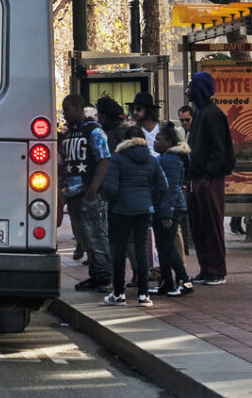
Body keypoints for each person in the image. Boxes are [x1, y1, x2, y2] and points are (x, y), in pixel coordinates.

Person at [100, 122, 169, 306]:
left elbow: (110, 186)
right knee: (141, 250)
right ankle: (143, 295)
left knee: (120, 250)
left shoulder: (118, 159)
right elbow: (163, 186)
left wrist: (115, 202)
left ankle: (119, 293)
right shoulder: (152, 160)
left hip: (122, 210)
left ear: (125, 140)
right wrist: (150, 200)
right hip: (144, 209)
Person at [185, 72, 235, 285]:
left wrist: (208, 175)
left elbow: (218, 149)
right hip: (199, 178)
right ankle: (206, 268)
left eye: (191, 86)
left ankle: (216, 270)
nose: (188, 90)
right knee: (199, 225)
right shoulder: (201, 113)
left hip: (207, 179)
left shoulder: (211, 114)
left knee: (211, 223)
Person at [57, 94, 112, 289]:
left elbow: (104, 159)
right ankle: (95, 273)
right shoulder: (68, 134)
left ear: (79, 107)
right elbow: (62, 163)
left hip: (90, 192)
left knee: (96, 234)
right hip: (72, 193)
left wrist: (94, 189)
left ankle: (103, 275)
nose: (64, 113)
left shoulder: (94, 131)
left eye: (67, 108)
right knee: (83, 236)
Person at [153, 120, 194, 295]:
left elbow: (172, 187)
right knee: (162, 246)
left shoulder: (171, 160)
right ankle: (167, 282)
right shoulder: (165, 158)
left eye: (159, 139)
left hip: (169, 208)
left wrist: (167, 211)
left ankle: (184, 280)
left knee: (168, 245)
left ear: (169, 142)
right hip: (162, 207)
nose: (155, 142)